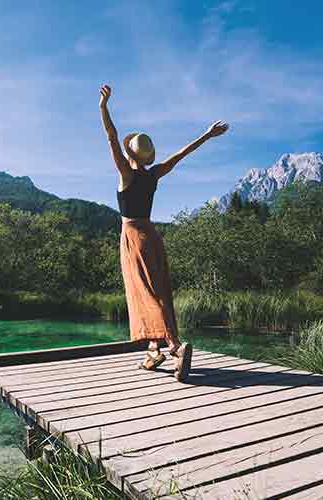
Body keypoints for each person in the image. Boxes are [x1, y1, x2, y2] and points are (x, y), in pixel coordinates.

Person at [98, 84, 229, 381]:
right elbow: (182, 154)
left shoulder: (126, 174)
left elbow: (111, 137)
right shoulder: (154, 174)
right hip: (152, 236)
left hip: (133, 238)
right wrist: (207, 135)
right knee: (157, 291)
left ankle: (174, 347)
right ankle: (154, 349)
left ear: (131, 155)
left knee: (143, 292)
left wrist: (103, 107)